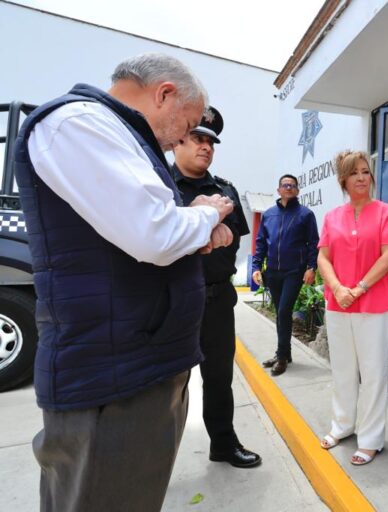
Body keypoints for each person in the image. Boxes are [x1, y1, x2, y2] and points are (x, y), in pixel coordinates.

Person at [14, 53, 235, 511]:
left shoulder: (117, 134)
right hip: (111, 380)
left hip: (138, 366)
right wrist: (205, 214)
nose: (182, 138)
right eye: (187, 124)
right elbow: (155, 233)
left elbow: (150, 233)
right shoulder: (77, 125)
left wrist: (192, 229)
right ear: (164, 94)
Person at [172, 106, 260, 468]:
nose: (206, 147)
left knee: (219, 378)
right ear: (178, 141)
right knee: (167, 385)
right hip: (173, 300)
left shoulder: (225, 189)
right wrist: (205, 225)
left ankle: (223, 444)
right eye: (197, 138)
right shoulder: (160, 188)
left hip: (218, 299)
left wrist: (200, 230)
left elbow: (232, 240)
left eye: (210, 142)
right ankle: (152, 461)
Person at [316, 150, 388, 466]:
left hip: (374, 305)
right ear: (343, 179)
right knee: (342, 369)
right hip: (339, 305)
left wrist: (359, 288)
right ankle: (342, 426)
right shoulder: (332, 217)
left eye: (365, 172)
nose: (361, 178)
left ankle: (370, 439)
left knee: (373, 374)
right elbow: (323, 257)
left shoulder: (386, 213)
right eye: (354, 173)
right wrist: (338, 289)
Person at [252, 174, 319, 376]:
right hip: (272, 272)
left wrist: (311, 267)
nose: (288, 187)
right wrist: (256, 266)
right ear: (278, 189)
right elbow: (261, 242)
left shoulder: (306, 214)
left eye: (292, 185)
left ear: (297, 190)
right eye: (285, 185)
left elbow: (313, 243)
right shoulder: (269, 214)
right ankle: (286, 353)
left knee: (283, 311)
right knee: (281, 313)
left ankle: (281, 356)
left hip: (294, 271)